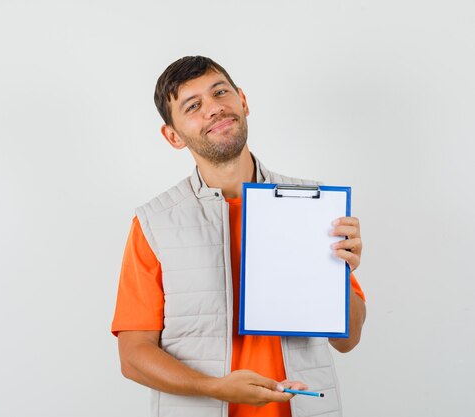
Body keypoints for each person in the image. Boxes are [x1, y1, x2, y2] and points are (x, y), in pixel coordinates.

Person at [111, 56, 366, 417]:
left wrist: (337, 273)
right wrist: (216, 388)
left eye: (220, 92)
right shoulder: (155, 222)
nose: (214, 108)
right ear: (173, 135)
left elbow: (348, 339)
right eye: (194, 105)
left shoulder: (314, 204)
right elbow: (134, 356)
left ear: (243, 101)